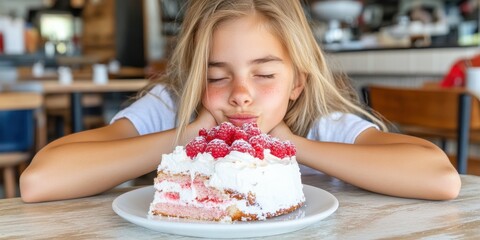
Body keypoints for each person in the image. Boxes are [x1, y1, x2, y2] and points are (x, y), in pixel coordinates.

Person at [20, 0, 461, 202]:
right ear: (195, 75)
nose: (241, 94)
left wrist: (292, 146)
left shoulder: (316, 122)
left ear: (296, 83)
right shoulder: (171, 105)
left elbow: (440, 179)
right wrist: (188, 136)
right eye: (216, 75)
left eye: (265, 74)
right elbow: (40, 181)